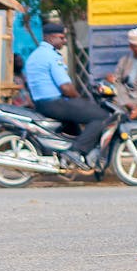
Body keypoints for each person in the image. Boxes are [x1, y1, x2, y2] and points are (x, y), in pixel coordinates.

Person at [23, 22, 108, 168]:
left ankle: (71, 154)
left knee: (76, 125)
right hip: (55, 103)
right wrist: (81, 99)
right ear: (50, 38)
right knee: (101, 116)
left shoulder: (34, 56)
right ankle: (77, 151)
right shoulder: (51, 56)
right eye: (61, 38)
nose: (64, 41)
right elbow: (66, 88)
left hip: (41, 104)